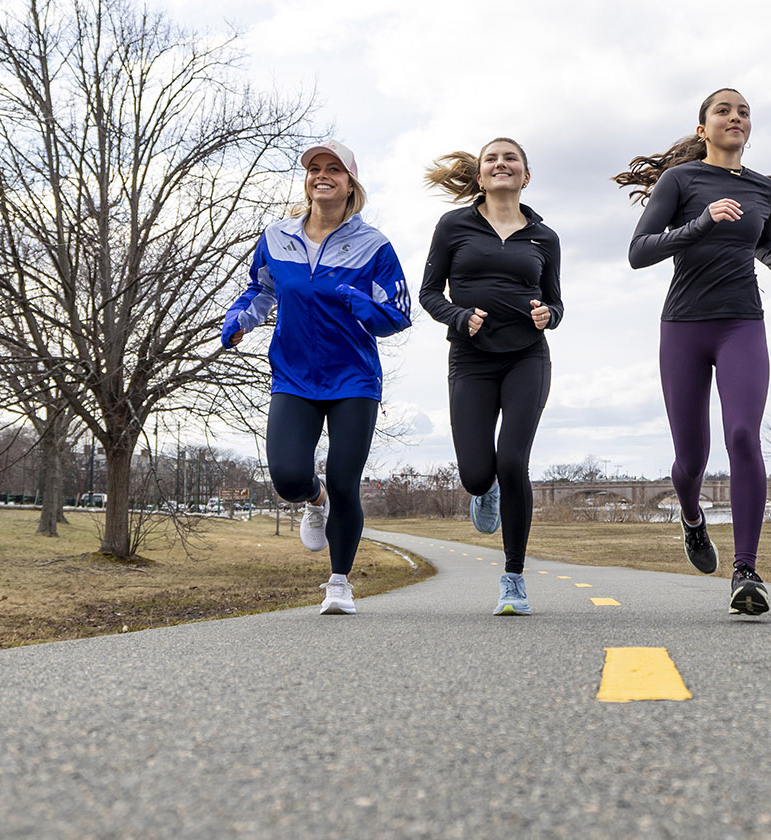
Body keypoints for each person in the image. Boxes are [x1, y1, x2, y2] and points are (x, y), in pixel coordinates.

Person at [617, 88, 771, 616]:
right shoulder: (679, 181)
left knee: (744, 434)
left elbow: (762, 243)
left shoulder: (764, 189)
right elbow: (639, 252)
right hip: (684, 327)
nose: (735, 117)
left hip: (742, 322)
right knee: (690, 460)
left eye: (743, 111)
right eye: (723, 110)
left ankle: (746, 571)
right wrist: (701, 223)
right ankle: (692, 518)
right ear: (703, 128)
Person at [221, 139, 412, 615]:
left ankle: (340, 582)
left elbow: (399, 313)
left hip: (353, 380)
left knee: (347, 480)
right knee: (287, 478)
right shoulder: (276, 236)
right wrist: (240, 318)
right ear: (307, 181)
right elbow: (260, 291)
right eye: (314, 169)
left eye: (334, 170)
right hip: (294, 377)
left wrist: (369, 307)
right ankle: (313, 497)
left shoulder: (374, 245)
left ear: (350, 184)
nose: (322, 175)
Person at [419, 137, 564, 615]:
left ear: (526, 175)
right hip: (471, 358)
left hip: (527, 356)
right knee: (477, 473)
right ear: (480, 177)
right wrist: (459, 318)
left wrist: (549, 314)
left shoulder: (545, 237)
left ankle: (514, 577)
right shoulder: (454, 226)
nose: (502, 164)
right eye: (492, 160)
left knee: (513, 459)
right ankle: (485, 492)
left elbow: (556, 301)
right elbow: (429, 293)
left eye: (512, 159)